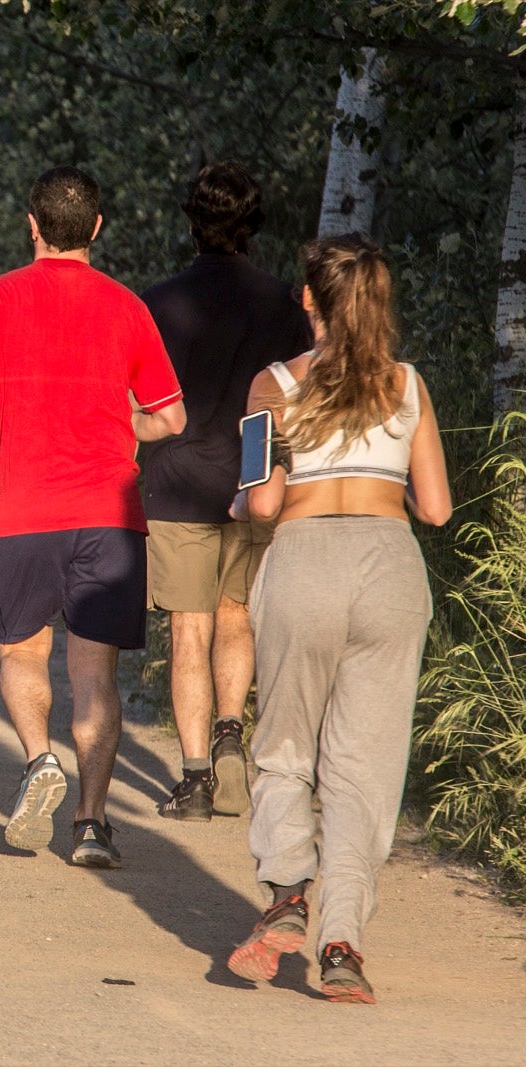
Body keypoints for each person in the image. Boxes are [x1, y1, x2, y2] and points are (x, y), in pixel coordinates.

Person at [225, 233, 451, 1004]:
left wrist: (241, 499)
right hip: (391, 567)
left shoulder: (274, 385)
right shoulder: (409, 385)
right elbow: (437, 508)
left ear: (309, 301)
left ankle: (288, 892)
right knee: (365, 770)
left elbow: (261, 503)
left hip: (306, 560)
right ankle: (343, 943)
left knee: (286, 743)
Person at [0, 166, 185, 870]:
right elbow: (171, 414)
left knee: (24, 653)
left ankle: (37, 758)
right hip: (108, 513)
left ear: (31, 224)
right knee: (95, 674)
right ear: (98, 229)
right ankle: (90, 822)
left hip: (23, 507)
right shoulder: (129, 308)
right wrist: (126, 423)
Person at [139, 161, 314, 822]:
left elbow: (142, 393)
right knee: (236, 615)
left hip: (177, 480)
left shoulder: (159, 301)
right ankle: (231, 734)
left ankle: (192, 780)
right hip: (255, 475)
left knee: (190, 628)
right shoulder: (280, 304)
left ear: (191, 222)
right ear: (254, 227)